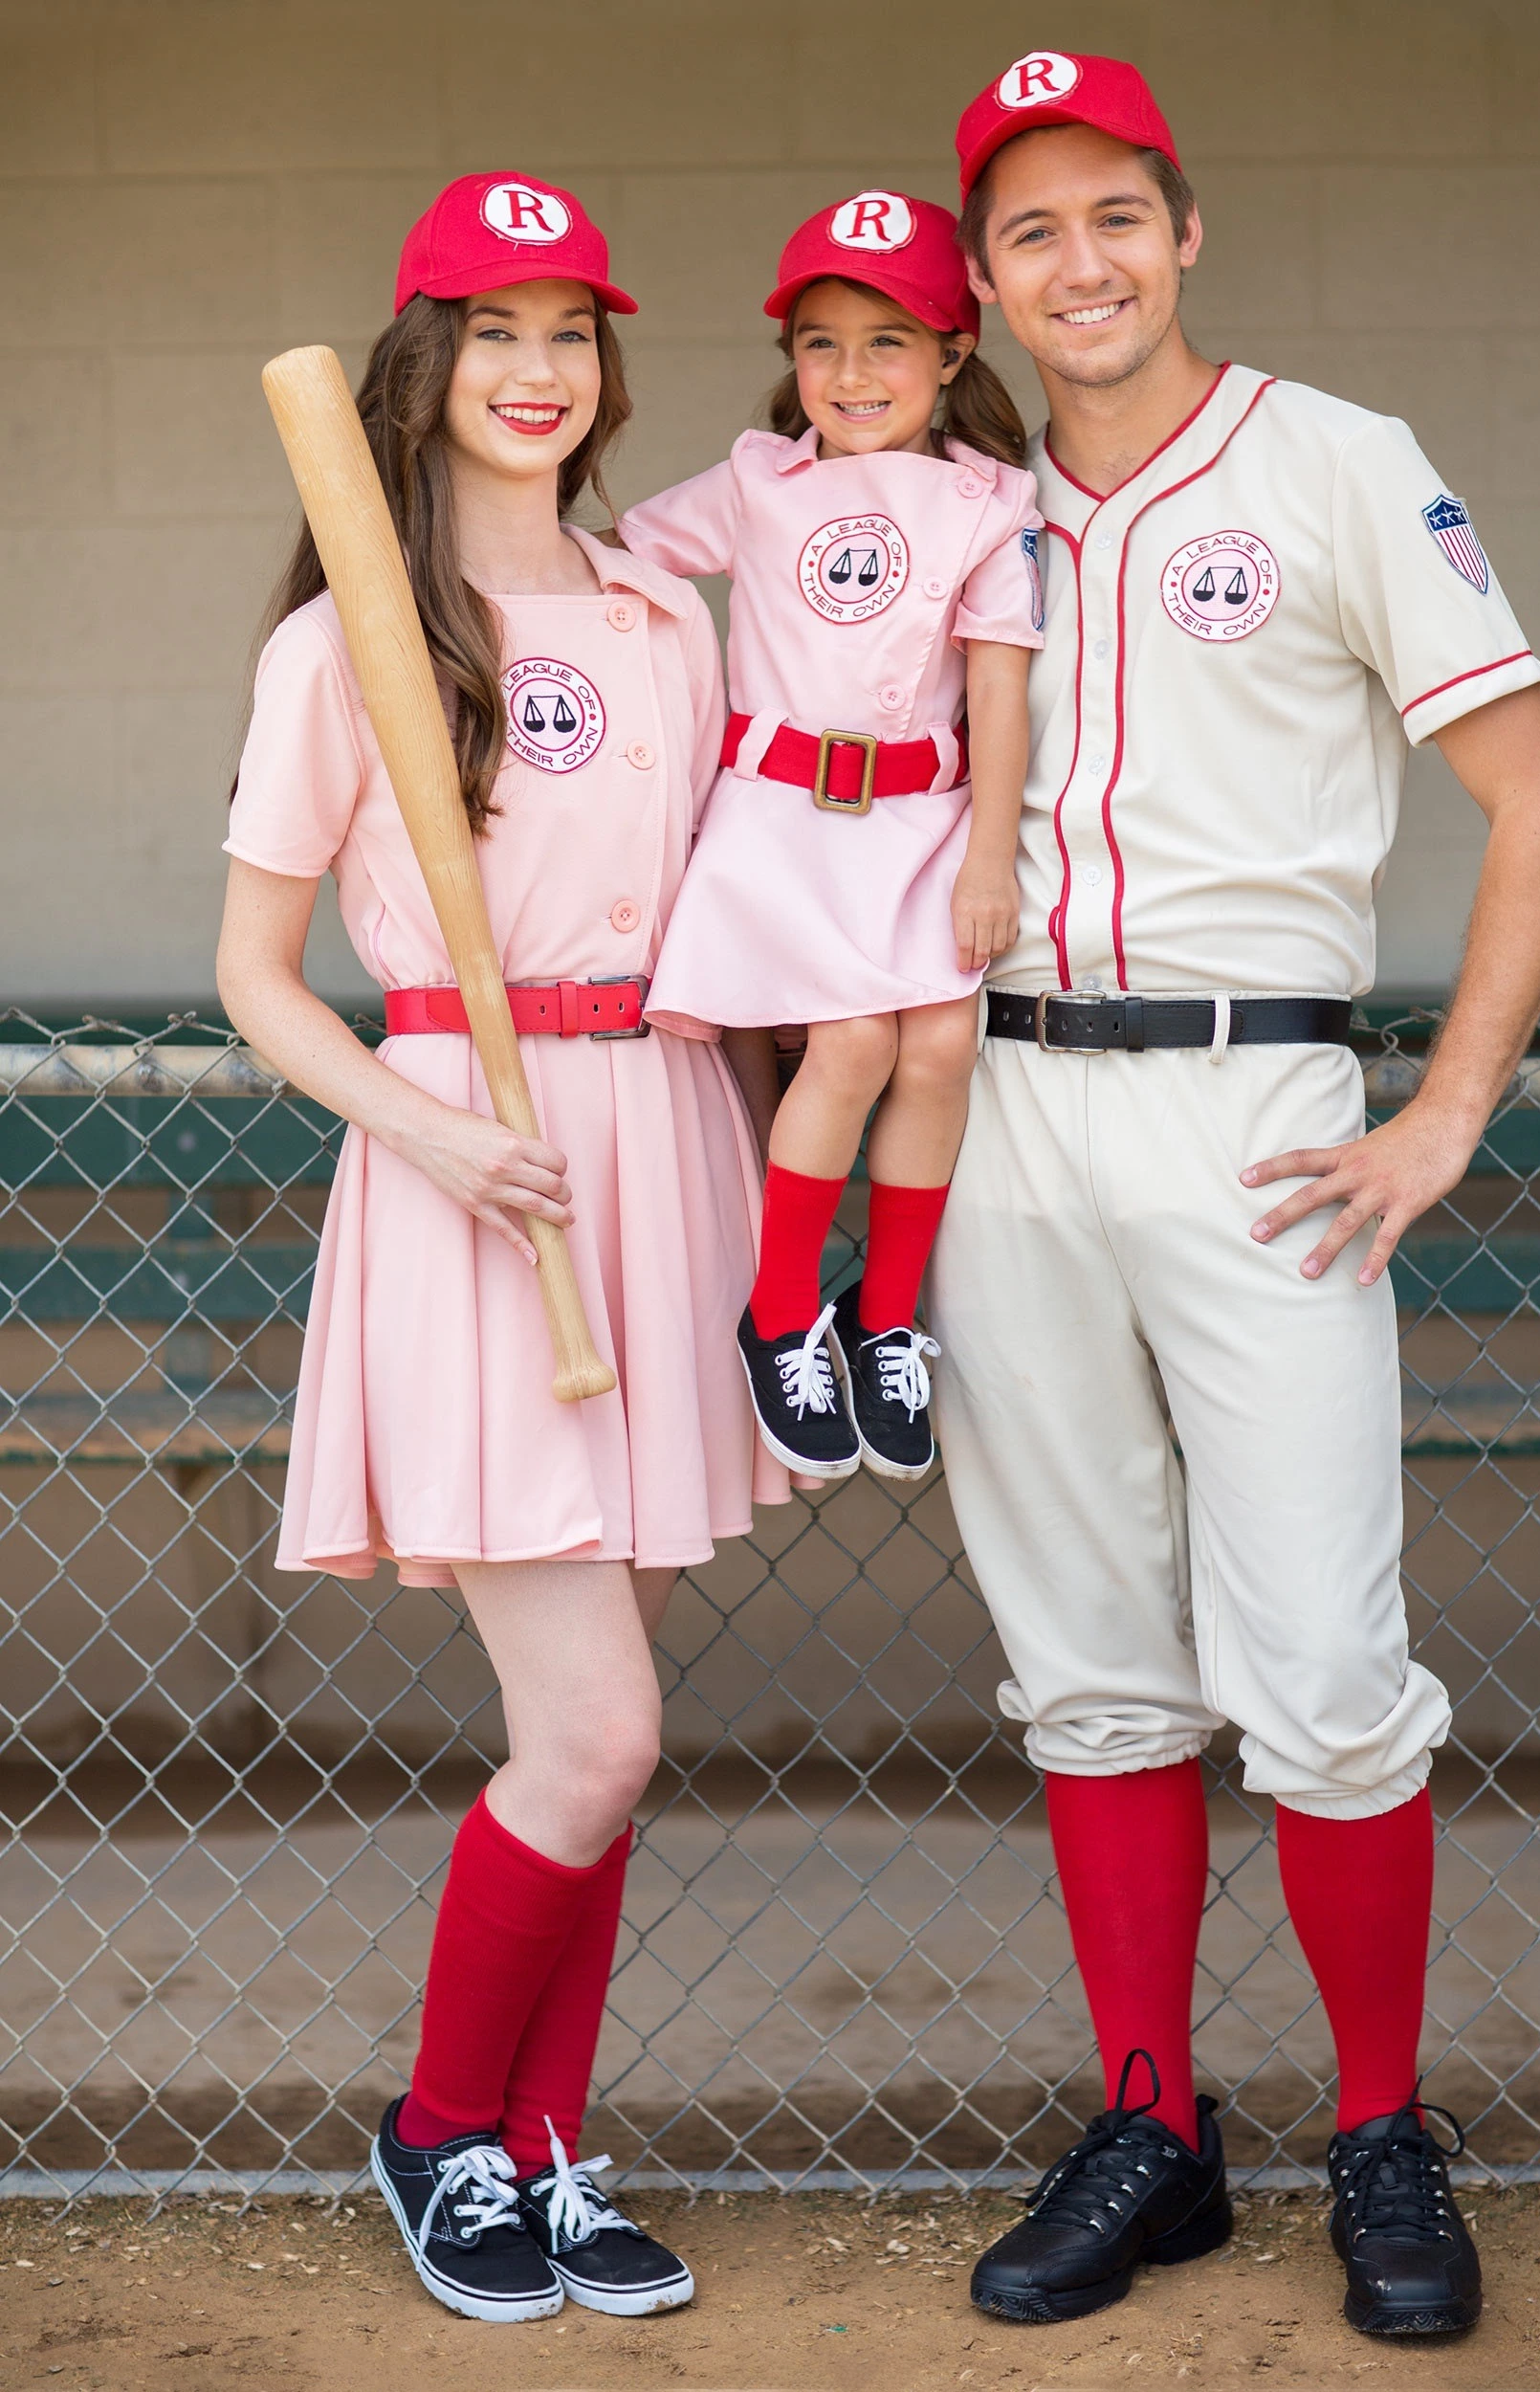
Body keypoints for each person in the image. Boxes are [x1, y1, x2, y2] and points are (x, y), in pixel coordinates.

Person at [925, 54, 1540, 2338]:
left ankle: (1381, 2126)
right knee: (1091, 1672)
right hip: (1003, 1105)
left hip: (1256, 1110)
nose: (1079, 262)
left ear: (1182, 229)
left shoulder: (1332, 461)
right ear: (984, 279)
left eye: (1114, 212)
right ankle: (1152, 2125)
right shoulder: (945, 496)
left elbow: (1535, 800)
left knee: (1317, 1672)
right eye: (1028, 231)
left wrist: (1443, 1116)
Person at [217, 172, 791, 2325]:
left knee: (605, 1721)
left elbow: (735, 935)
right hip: (472, 1167)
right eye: (492, 329)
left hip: (659, 1143)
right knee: (598, 1733)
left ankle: (545, 2160)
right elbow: (256, 973)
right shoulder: (344, 636)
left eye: (570, 328)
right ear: (421, 366)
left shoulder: (662, 610)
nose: (538, 369)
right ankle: (445, 2127)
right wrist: (427, 1127)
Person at [619, 193, 1042, 1485]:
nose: (850, 373)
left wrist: (987, 861)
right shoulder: (759, 483)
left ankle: (887, 1313)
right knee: (853, 1041)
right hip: (781, 820)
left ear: (954, 355)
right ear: (790, 359)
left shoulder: (988, 504)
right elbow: (625, 559)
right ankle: (782, 1307)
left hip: (922, 824)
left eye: (888, 341)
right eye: (819, 343)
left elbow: (999, 692)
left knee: (939, 1042)